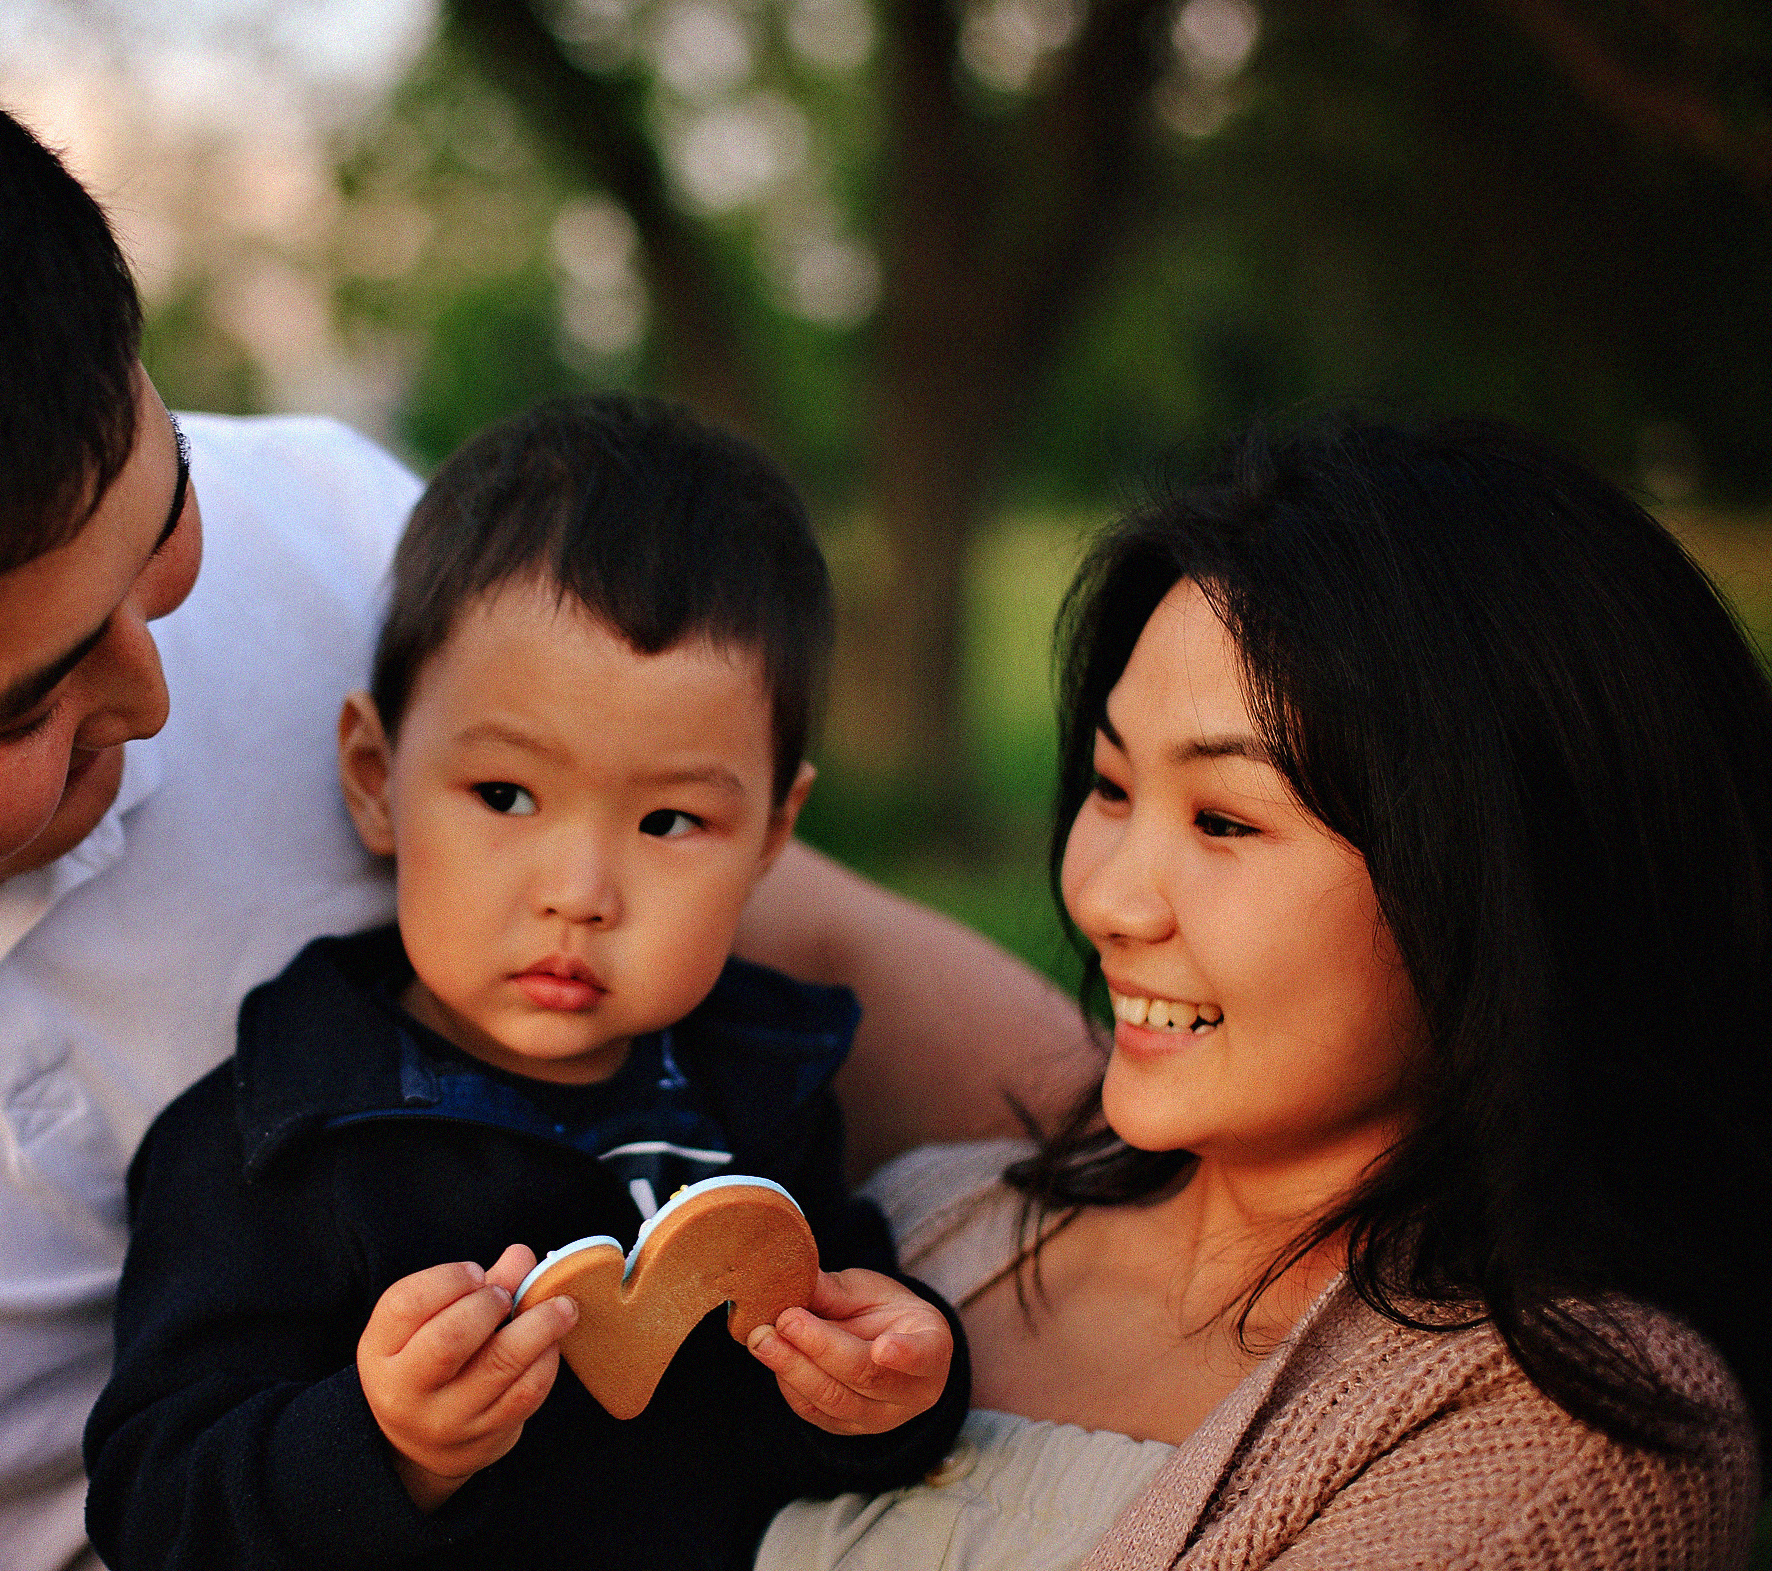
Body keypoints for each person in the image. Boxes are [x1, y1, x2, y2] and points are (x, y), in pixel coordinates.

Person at [0, 14, 1083, 1571]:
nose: (159, 690)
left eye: (162, 524)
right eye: (30, 701)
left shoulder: (340, 533)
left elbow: (794, 916)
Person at [757, 417, 1768, 1571]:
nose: (1110, 902)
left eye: (1226, 819)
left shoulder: (1569, 1428)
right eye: (1109, 783)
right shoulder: (931, 1213)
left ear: (1508, 884)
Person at [83, 395, 973, 1571]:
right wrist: (385, 1442)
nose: (580, 890)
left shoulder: (759, 1088)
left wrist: (895, 1389)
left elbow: (813, 1406)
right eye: (505, 796)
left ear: (771, 834)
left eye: (669, 819)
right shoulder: (280, 1135)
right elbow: (156, 1508)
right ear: (375, 775)